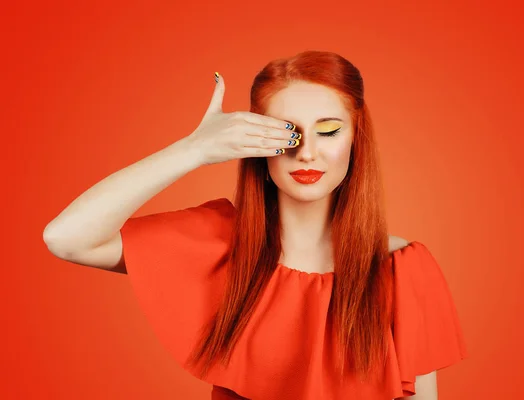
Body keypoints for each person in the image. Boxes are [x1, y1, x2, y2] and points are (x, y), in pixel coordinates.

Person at [43, 51, 467, 400]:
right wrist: (194, 149)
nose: (306, 153)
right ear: (256, 146)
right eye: (288, 134)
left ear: (357, 142)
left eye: (329, 131)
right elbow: (67, 238)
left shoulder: (401, 269)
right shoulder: (218, 246)